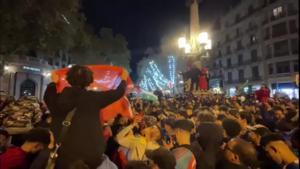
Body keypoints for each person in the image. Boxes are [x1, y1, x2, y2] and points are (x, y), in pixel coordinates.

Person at [44, 65, 128, 168]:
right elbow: (118, 92)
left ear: (68, 78)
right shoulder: (94, 98)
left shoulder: (56, 99)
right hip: (92, 157)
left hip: (63, 155)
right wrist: (123, 79)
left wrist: (53, 82)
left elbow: (48, 95)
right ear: (90, 80)